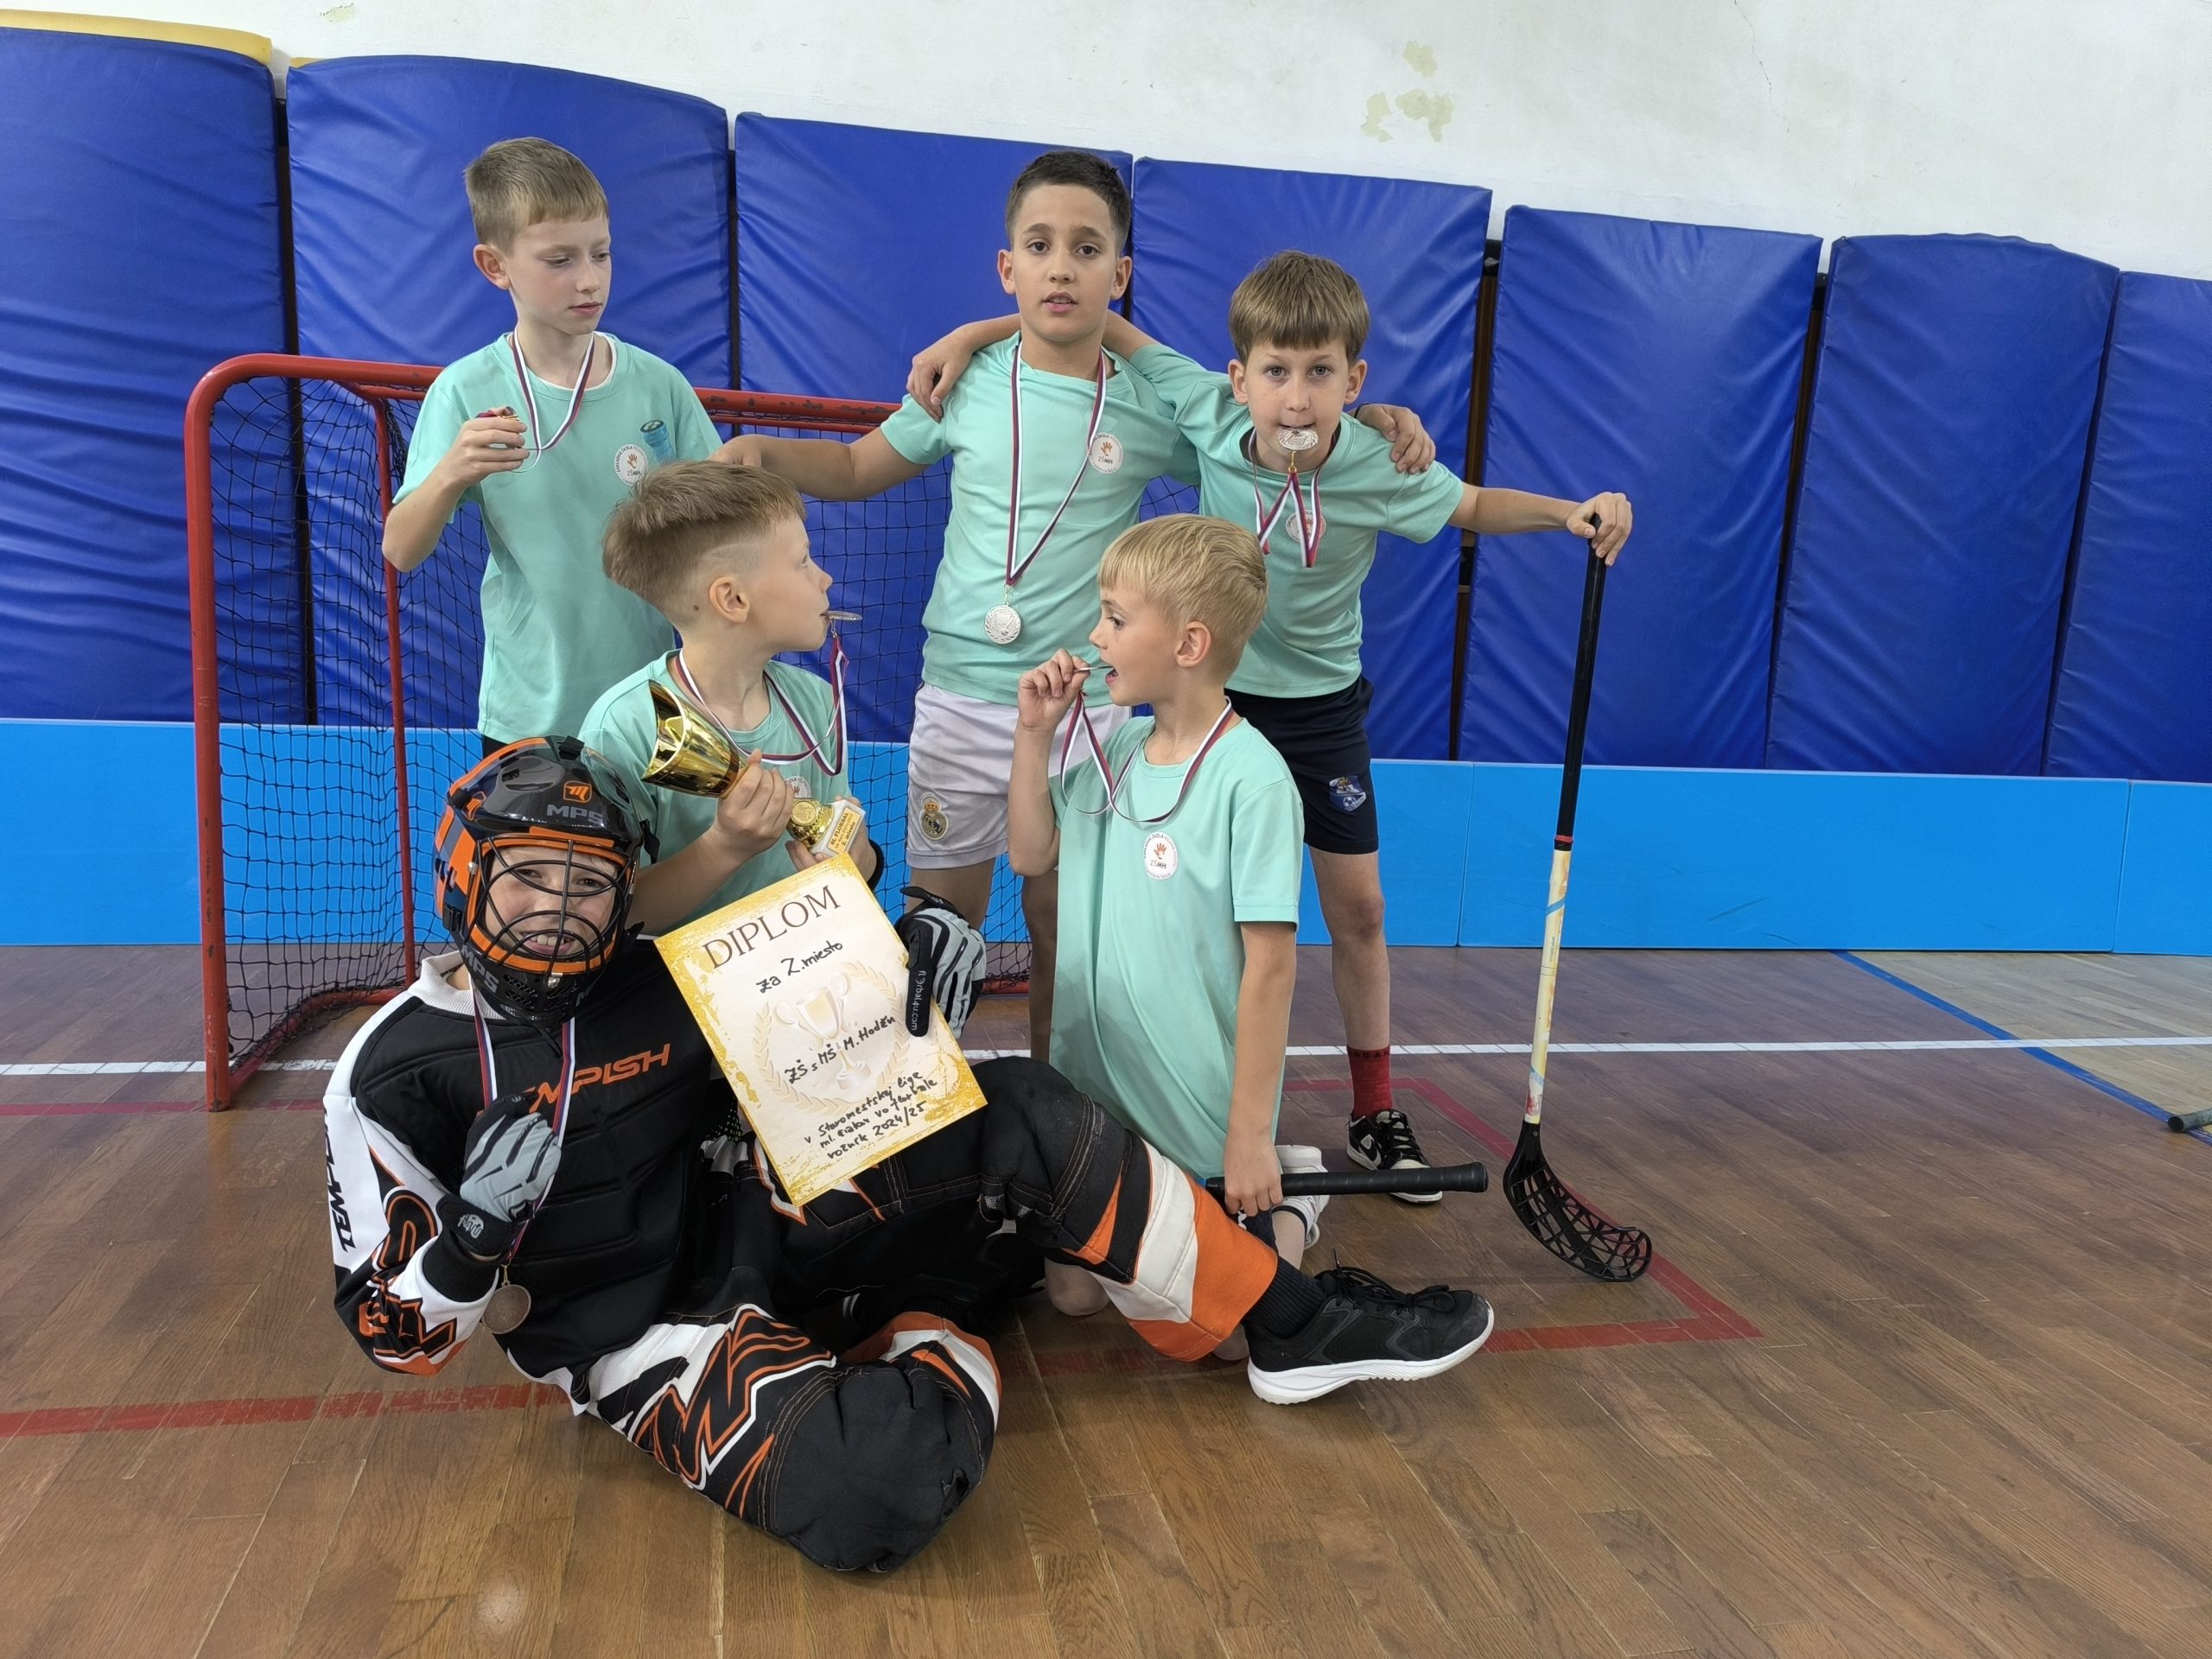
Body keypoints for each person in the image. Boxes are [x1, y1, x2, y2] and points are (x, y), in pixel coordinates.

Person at [322, 739, 1497, 1572]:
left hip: (772, 1224)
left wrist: (921, 940)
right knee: (869, 1492)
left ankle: (1291, 1322)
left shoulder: (665, 971)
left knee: (1016, 1102)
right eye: (532, 874)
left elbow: (833, 1050)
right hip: (647, 1338)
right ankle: (947, 1306)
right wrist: (472, 1239)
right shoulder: (391, 1076)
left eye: (588, 884)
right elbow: (390, 1334)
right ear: (466, 868)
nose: (560, 908)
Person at [911, 251, 1633, 1191]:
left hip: (1322, 711)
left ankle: (1374, 1111)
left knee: (1359, 909)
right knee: (1184, 911)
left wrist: (1570, 513)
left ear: (1354, 381)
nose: (1296, 397)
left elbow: (1472, 504)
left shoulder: (1378, 461)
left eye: (1321, 373)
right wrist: (974, 332)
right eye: (1277, 372)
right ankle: (1161, 1100)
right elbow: (1095, 320)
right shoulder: (1209, 415)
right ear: (1238, 378)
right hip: (1214, 702)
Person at [718, 150, 1432, 1061]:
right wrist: (766, 454)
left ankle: (1057, 1105)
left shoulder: (1151, 408)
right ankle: (925, 1099)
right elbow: (858, 467)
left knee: (1062, 925)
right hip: (960, 696)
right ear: (1007, 265)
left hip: (1085, 706)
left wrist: (1370, 421)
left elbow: (1268, 429)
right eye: (1040, 247)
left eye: (1087, 249)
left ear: (1119, 274)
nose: (1062, 267)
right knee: (938, 926)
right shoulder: (964, 380)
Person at [1008, 516, 1324, 1351]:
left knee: (1231, 1339)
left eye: (1116, 618)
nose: (1095, 635)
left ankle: (1288, 1194)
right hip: (1101, 1102)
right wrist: (1033, 735)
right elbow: (1031, 852)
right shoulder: (1116, 755)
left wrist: (1247, 1137)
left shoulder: (1254, 781)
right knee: (1074, 1298)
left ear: (1188, 644)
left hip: (1198, 1107)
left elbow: (1272, 970)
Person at [381, 137, 724, 753]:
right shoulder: (465, 390)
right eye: (559, 260)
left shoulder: (658, 385)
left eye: (601, 253)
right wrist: (451, 472)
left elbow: (723, 530)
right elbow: (401, 550)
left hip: (653, 706)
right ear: (495, 266)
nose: (589, 280)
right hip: (528, 715)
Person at [582, 461, 881, 932]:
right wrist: (724, 847)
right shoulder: (626, 727)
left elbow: (847, 863)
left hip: (805, 953)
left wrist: (858, 862)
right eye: (803, 561)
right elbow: (605, 914)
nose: (824, 578)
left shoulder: (816, 700)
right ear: (734, 600)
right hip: (664, 972)